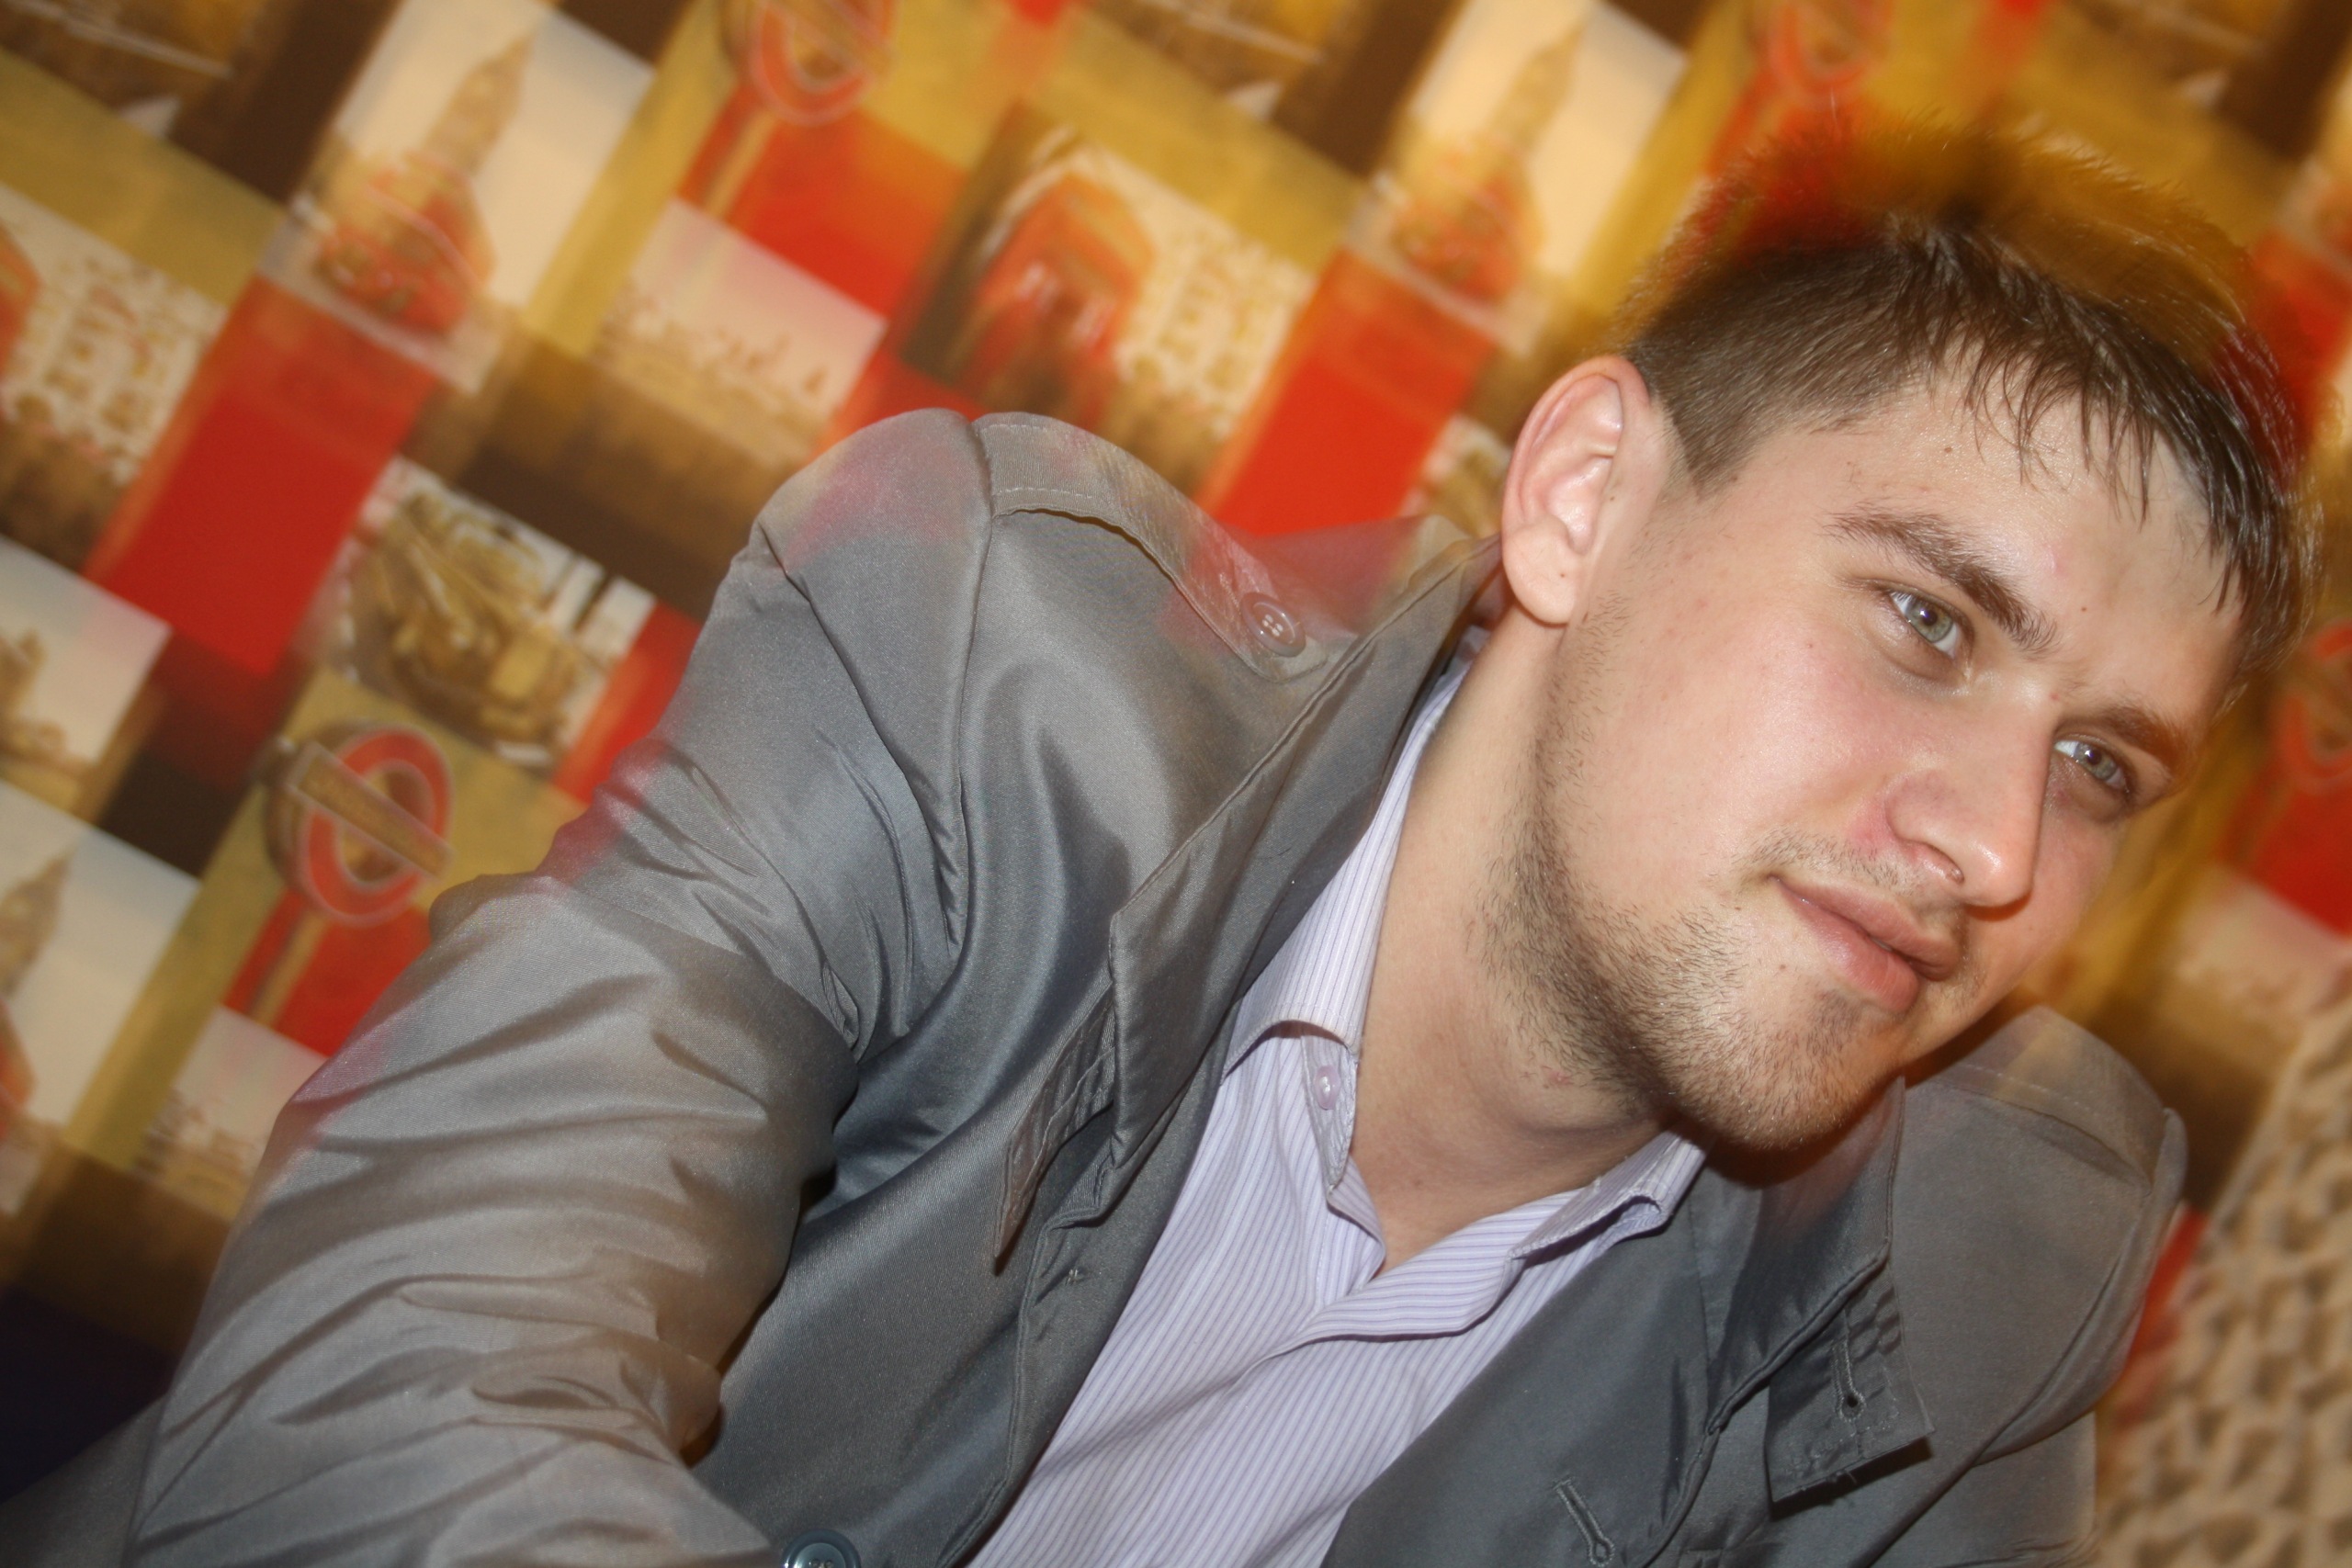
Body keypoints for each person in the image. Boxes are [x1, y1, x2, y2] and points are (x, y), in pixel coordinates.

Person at [1, 122, 2315, 1567]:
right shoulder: (981, 672)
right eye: (1922, 620)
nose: (1991, 846)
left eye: (2102, 767)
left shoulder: (1982, 1245)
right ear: (1584, 498)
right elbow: (391, 1387)